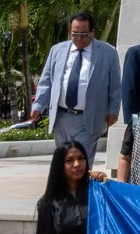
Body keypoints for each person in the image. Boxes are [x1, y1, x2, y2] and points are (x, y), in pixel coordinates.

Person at [31, 11, 121, 167]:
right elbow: (46, 81)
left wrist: (113, 110)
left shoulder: (108, 52)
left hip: (89, 117)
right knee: (63, 161)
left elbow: (115, 85)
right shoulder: (57, 50)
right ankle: (64, 191)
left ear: (93, 32)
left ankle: (81, 191)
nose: (79, 39)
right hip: (62, 117)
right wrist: (38, 105)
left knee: (81, 161)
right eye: (75, 34)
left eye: (84, 34)